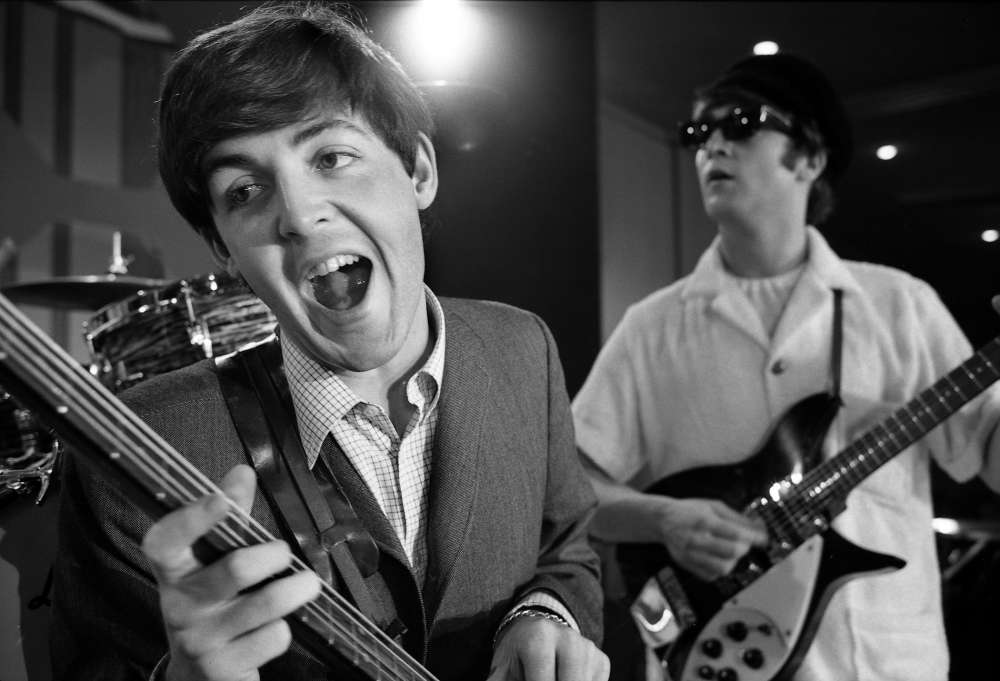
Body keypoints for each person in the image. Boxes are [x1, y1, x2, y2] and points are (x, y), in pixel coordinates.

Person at [49, 3, 610, 681]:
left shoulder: (524, 347)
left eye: (331, 156)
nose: (298, 214)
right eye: (245, 190)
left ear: (419, 171)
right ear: (223, 247)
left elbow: (568, 548)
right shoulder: (135, 451)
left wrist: (546, 613)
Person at [571, 52, 1000, 681]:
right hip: (710, 658)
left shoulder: (901, 305)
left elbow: (990, 456)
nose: (712, 144)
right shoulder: (651, 327)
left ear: (809, 159)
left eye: (741, 123)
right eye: (699, 132)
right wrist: (662, 519)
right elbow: (571, 487)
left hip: (882, 665)